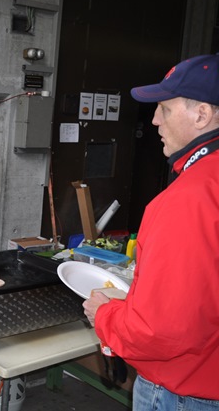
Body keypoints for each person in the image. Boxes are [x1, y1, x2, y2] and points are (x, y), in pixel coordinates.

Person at [83, 54, 219, 409]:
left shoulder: (189, 199)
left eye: (165, 109)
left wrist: (104, 315)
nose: (155, 119)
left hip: (186, 394)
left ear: (202, 115)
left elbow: (161, 330)